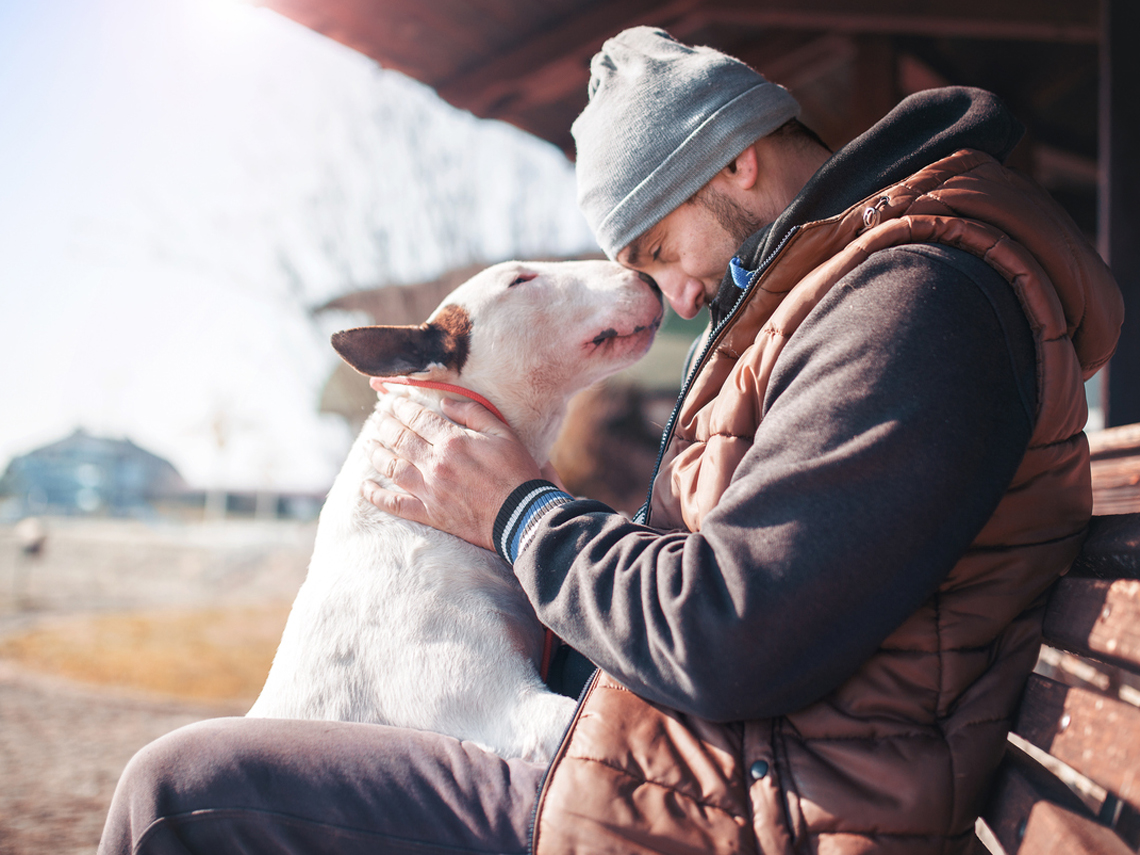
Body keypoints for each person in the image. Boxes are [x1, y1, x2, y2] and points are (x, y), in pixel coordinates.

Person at [99, 27, 1123, 855]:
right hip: (706, 766)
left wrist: (516, 510)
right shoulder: (847, 299)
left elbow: (726, 634)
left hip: (748, 813)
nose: (673, 293)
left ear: (738, 159)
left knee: (182, 791)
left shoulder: (915, 305)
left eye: (658, 247)